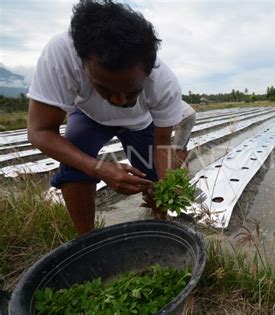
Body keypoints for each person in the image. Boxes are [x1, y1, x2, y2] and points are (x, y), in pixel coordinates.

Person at [27, 0, 183, 235]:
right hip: (89, 115)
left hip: (140, 122)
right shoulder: (62, 55)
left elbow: (162, 143)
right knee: (75, 156)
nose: (120, 101)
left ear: (149, 71)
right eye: (105, 89)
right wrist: (98, 168)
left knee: (153, 179)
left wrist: (167, 182)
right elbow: (39, 132)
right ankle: (87, 241)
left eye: (131, 91)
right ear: (84, 63)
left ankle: (161, 228)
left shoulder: (165, 84)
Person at [173, 101, 196, 168]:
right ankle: (185, 170)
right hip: (189, 114)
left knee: (177, 149)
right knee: (182, 147)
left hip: (184, 117)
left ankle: (179, 174)